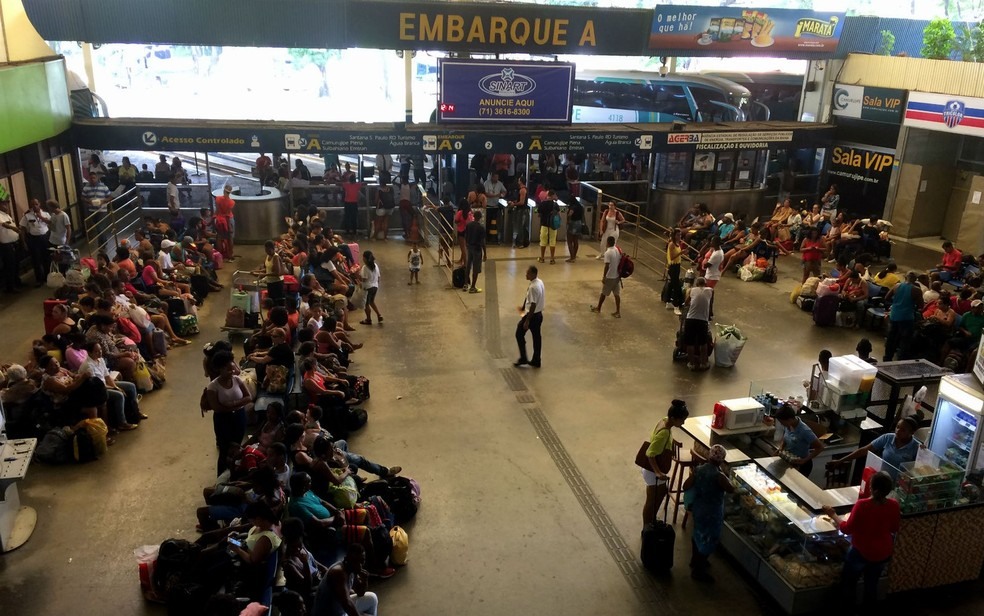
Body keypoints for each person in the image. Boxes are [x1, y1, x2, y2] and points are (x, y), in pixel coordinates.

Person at [822, 471, 900, 609]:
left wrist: (833, 514)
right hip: (882, 553)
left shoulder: (862, 505)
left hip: (861, 552)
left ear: (871, 487)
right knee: (871, 585)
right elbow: (894, 528)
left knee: (849, 584)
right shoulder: (894, 505)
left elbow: (846, 529)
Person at [683, 444, 734, 583]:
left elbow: (685, 486)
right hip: (712, 512)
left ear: (709, 456)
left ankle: (694, 561)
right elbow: (731, 489)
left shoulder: (698, 470)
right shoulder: (719, 476)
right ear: (722, 460)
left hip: (699, 509)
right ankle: (698, 571)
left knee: (698, 534)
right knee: (709, 539)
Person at [641, 399, 689, 526]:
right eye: (682, 420)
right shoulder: (664, 433)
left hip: (650, 470)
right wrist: (658, 472)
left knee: (660, 493)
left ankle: (650, 521)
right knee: (651, 501)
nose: (683, 422)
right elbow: (650, 453)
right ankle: (647, 527)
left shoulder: (664, 420)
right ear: (673, 418)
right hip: (653, 471)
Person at [206, 351, 252, 475]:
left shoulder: (237, 380)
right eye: (228, 370)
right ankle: (221, 476)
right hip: (223, 421)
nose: (232, 373)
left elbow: (249, 397)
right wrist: (238, 404)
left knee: (237, 447)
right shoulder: (212, 387)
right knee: (225, 450)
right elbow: (217, 408)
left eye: (232, 369)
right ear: (219, 369)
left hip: (239, 417)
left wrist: (232, 404)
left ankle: (235, 474)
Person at [832, 417, 920, 473]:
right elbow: (864, 450)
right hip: (882, 480)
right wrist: (840, 461)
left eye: (903, 430)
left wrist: (924, 453)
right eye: (897, 427)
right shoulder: (888, 438)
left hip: (900, 486)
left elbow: (920, 470)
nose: (897, 431)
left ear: (912, 433)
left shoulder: (916, 447)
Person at [311, 544, 378, 616]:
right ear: (347, 559)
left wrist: (365, 581)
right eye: (356, 561)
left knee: (372, 598)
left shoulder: (352, 568)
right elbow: (347, 604)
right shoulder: (338, 572)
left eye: (362, 561)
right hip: (328, 613)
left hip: (339, 609)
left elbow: (360, 593)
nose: (359, 566)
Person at [883, 272, 923, 362]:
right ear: (915, 279)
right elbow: (921, 306)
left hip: (894, 315)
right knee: (905, 341)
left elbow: (886, 297)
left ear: (905, 277)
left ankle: (887, 358)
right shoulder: (916, 290)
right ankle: (901, 360)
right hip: (907, 318)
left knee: (891, 338)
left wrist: (896, 303)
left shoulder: (897, 286)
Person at [775, 404, 824, 477]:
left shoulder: (804, 431)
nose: (782, 424)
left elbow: (820, 447)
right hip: (790, 462)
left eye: (782, 422)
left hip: (802, 465)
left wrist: (804, 460)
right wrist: (781, 448)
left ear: (790, 419)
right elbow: (785, 438)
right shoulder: (788, 425)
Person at [514, 265, 544, 368]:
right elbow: (528, 298)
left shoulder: (533, 287)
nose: (526, 274)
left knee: (519, 333)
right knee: (537, 337)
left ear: (533, 274)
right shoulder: (539, 282)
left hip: (532, 316)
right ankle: (536, 359)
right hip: (539, 315)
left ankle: (523, 358)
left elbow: (533, 304)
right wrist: (523, 307)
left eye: (528, 273)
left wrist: (527, 321)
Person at [683, 277, 713, 370]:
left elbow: (686, 303)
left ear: (696, 284)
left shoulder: (692, 290)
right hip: (702, 320)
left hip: (690, 319)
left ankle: (691, 364)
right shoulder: (710, 291)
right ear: (705, 284)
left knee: (690, 343)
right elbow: (711, 304)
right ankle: (703, 363)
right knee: (703, 343)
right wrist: (710, 314)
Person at [19, 198, 50, 287]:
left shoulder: (46, 214)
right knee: (36, 259)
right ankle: (39, 279)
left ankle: (47, 277)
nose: (35, 206)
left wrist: (41, 217)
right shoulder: (27, 216)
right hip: (34, 239)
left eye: (36, 204)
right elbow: (22, 229)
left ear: (39, 204)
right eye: (33, 205)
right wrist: (24, 242)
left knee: (46, 258)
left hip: (45, 237)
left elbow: (50, 223)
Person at [591, 235, 622, 318]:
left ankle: (598, 308)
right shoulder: (618, 249)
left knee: (603, 293)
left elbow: (607, 265)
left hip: (610, 276)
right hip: (617, 276)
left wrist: (604, 276)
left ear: (607, 243)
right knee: (617, 294)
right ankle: (618, 311)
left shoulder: (608, 252)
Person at [464, 210, 486, 294]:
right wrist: (485, 254)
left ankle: (465, 284)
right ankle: (473, 287)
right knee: (476, 268)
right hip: (477, 249)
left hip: (469, 247)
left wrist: (467, 244)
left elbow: (466, 236)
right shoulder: (481, 227)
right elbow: (482, 242)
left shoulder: (469, 225)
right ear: (480, 217)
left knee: (468, 266)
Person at [537, 190, 560, 264]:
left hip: (544, 224)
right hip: (553, 225)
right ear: (553, 196)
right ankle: (552, 258)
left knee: (543, 241)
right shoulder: (555, 205)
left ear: (548, 195)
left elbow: (539, 214)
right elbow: (558, 215)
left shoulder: (542, 203)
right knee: (552, 241)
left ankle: (542, 258)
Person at [359, 251, 382, 325]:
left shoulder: (365, 267)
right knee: (372, 301)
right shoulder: (375, 265)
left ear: (365, 258)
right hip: (375, 286)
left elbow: (364, 279)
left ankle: (368, 319)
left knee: (366, 304)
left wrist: (358, 278)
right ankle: (379, 315)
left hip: (368, 287)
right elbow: (379, 277)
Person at [665, 228, 684, 316]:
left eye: (680, 235)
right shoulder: (672, 244)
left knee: (672, 284)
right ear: (674, 236)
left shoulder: (677, 243)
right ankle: (676, 305)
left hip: (677, 265)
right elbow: (672, 257)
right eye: (678, 235)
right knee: (676, 286)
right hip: (673, 266)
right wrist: (681, 253)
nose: (679, 237)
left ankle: (668, 301)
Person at [215, 184, 236, 259]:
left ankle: (219, 254)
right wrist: (229, 226)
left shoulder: (218, 199)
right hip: (228, 220)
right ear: (230, 192)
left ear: (224, 190)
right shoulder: (231, 202)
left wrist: (214, 219)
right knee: (230, 237)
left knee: (219, 236)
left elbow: (217, 211)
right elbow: (227, 214)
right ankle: (230, 254)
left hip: (219, 219)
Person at [508, 176, 529, 248]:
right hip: (523, 210)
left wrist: (514, 204)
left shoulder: (522, 190)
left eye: (519, 180)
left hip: (522, 210)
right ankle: (521, 242)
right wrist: (514, 202)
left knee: (520, 226)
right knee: (521, 226)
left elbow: (522, 202)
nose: (518, 182)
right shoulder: (523, 189)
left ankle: (520, 243)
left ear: (521, 181)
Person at [453, 201, 473, 267]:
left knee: (462, 248)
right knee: (465, 247)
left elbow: (456, 220)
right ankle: (461, 260)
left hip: (461, 231)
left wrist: (460, 222)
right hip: (468, 231)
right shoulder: (470, 212)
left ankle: (465, 263)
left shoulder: (460, 212)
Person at [565, 194, 584, 262]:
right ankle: (574, 256)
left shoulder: (573, 206)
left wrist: (567, 220)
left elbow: (570, 214)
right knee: (575, 241)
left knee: (569, 241)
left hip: (573, 223)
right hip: (579, 223)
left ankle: (572, 257)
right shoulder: (580, 206)